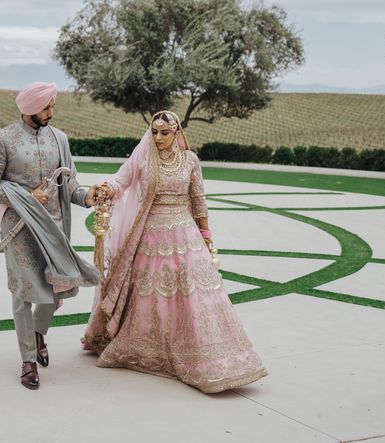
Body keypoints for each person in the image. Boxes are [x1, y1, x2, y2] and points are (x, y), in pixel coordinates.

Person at [81, 110, 267, 393]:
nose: (158, 138)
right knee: (150, 293)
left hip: (185, 234)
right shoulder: (144, 159)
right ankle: (147, 349)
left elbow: (198, 199)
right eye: (154, 132)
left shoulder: (190, 160)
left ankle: (206, 353)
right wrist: (106, 188)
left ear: (177, 132)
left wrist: (206, 236)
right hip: (151, 234)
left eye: (164, 133)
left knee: (196, 294)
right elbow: (121, 181)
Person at [0, 81, 100, 390]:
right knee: (23, 291)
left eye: (52, 106)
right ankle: (28, 360)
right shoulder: (3, 139)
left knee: (53, 290)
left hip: (54, 227)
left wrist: (87, 197)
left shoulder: (60, 140)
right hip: (18, 228)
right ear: (30, 108)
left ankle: (38, 333)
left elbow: (69, 185)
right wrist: (25, 195)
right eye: (46, 107)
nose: (51, 112)